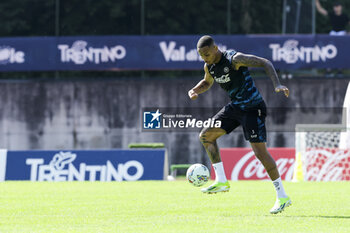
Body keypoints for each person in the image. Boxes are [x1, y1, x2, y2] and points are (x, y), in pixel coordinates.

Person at [188, 35, 291, 214]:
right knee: (206, 135)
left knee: (260, 153)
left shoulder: (234, 59)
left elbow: (265, 62)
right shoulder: (209, 66)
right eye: (201, 56)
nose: (204, 58)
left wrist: (277, 84)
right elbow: (207, 81)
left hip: (253, 108)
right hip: (236, 107)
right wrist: (196, 89)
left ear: (214, 48)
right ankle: (221, 181)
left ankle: (282, 197)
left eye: (206, 54)